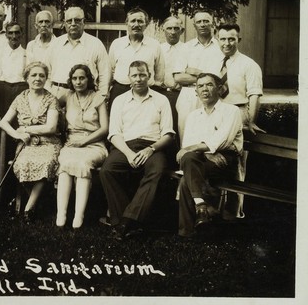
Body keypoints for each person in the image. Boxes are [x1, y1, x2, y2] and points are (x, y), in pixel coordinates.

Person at [99, 60, 174, 240]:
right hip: (126, 146)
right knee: (107, 170)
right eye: (134, 75)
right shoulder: (120, 100)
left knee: (156, 171)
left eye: (142, 75)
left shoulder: (161, 99)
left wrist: (150, 149)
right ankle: (130, 221)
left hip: (153, 147)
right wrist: (128, 153)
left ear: (149, 76)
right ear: (129, 78)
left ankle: (124, 222)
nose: (138, 79)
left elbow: (168, 134)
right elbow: (114, 133)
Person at [176, 73, 243, 239]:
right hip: (201, 159)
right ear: (196, 92)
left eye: (209, 85)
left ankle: (187, 231)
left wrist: (204, 150)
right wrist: (207, 153)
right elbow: (188, 144)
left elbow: (223, 140)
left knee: (188, 167)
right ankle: (201, 209)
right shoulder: (193, 116)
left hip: (225, 161)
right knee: (188, 166)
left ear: (219, 89)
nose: (204, 89)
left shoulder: (231, 111)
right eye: (200, 86)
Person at [0, 61, 62, 221]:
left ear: (46, 78)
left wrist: (25, 129)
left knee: (46, 163)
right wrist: (17, 134)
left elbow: (51, 128)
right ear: (27, 78)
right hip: (26, 144)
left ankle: (28, 208)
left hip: (48, 142)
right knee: (21, 164)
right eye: (33, 75)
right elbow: (3, 122)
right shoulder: (20, 98)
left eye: (42, 75)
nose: (38, 78)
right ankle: (39, 203)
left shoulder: (51, 99)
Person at [216, 22, 265, 219]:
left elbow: (254, 95)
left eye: (231, 39)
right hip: (217, 114)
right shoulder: (214, 62)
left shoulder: (249, 65)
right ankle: (213, 208)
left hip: (238, 113)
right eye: (223, 39)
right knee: (214, 159)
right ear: (217, 39)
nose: (227, 43)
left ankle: (234, 212)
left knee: (237, 164)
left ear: (238, 40)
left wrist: (251, 121)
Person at [55, 65, 109, 229]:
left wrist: (84, 142)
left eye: (82, 78)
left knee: (82, 164)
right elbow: (50, 104)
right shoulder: (67, 96)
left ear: (88, 79)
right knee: (65, 165)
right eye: (74, 78)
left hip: (94, 144)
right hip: (72, 142)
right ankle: (61, 215)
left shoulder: (98, 98)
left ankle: (79, 216)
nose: (78, 82)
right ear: (70, 81)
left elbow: (104, 129)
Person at [174, 9, 222, 139]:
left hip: (212, 95)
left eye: (206, 21)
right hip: (188, 96)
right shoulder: (186, 48)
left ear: (213, 24)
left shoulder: (220, 48)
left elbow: (219, 79)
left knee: (210, 134)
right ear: (194, 25)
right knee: (186, 135)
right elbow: (178, 77)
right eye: (199, 21)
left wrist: (196, 72)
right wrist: (208, 76)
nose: (202, 24)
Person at [44, 6, 109, 99]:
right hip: (56, 93)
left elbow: (105, 73)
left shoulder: (96, 44)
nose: (73, 24)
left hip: (86, 95)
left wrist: (101, 96)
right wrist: (48, 92)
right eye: (69, 21)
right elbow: (47, 72)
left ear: (84, 22)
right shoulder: (55, 44)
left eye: (77, 20)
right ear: (64, 23)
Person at [106, 7, 165, 107]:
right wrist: (107, 91)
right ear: (126, 23)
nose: (136, 25)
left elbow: (159, 74)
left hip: (146, 92)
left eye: (140, 21)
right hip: (120, 91)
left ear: (146, 25)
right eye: (133, 21)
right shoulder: (117, 44)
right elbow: (109, 70)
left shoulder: (155, 45)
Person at [158, 16, 186, 132]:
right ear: (163, 30)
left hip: (181, 94)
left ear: (182, 31)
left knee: (179, 126)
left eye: (176, 28)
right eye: (169, 28)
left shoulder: (187, 49)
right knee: (162, 126)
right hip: (160, 93)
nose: (173, 32)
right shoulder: (158, 49)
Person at [0, 22, 28, 117]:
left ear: (22, 35)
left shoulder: (28, 55)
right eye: (10, 33)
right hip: (3, 92)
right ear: (6, 35)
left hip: (21, 91)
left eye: (17, 33)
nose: (14, 36)